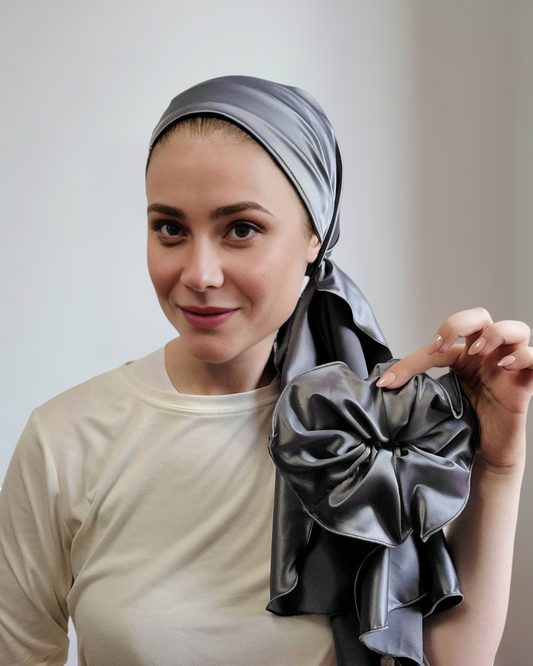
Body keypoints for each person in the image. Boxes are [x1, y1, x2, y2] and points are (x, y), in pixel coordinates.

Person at [0, 75, 530, 666]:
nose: (199, 274)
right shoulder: (63, 440)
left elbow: (448, 660)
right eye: (170, 228)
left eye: (241, 229)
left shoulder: (375, 427)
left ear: (314, 237)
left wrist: (497, 466)